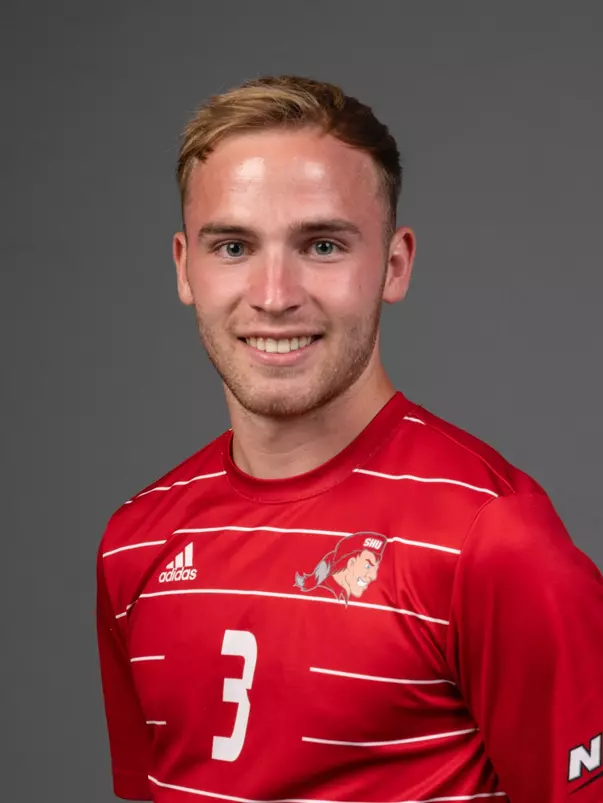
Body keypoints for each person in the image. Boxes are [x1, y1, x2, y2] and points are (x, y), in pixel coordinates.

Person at [96, 75, 603, 803]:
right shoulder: (134, 543)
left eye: (323, 244)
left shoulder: (490, 540)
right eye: (233, 245)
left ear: (393, 265)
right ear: (185, 267)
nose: (273, 294)